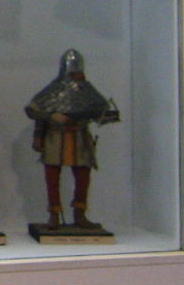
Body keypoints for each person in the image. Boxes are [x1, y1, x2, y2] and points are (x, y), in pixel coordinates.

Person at [24, 49, 120, 230]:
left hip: (79, 137)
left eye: (79, 70)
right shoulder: (54, 90)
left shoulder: (87, 90)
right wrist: (51, 117)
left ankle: (80, 215)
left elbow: (99, 111)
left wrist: (105, 116)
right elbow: (32, 110)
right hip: (56, 138)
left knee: (83, 177)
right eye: (75, 71)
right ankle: (54, 215)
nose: (79, 74)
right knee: (52, 178)